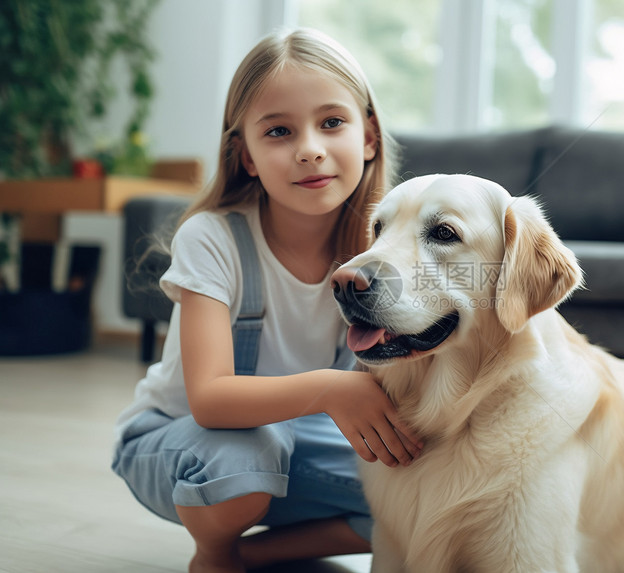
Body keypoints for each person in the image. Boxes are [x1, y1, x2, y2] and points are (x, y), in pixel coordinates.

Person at [112, 27, 421, 573]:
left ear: (369, 136)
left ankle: (249, 554)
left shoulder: (383, 256)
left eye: (332, 123)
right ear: (246, 156)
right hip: (179, 446)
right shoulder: (212, 238)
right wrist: (332, 387)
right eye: (279, 131)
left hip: (294, 445)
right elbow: (208, 399)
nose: (310, 149)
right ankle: (213, 553)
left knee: (421, 491)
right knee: (249, 451)